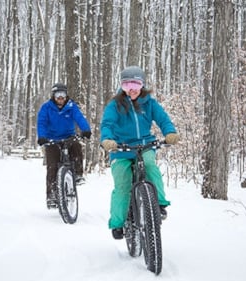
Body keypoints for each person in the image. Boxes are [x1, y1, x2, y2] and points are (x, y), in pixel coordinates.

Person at [100, 66, 180, 239]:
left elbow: (163, 119)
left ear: (142, 85)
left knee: (150, 166)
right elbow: (107, 124)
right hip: (120, 149)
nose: (132, 90)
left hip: (144, 145)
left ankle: (159, 204)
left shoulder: (149, 103)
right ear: (121, 86)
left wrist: (170, 132)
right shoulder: (115, 105)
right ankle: (118, 223)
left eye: (136, 84)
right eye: (127, 85)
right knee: (122, 185)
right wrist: (107, 139)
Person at [37, 83, 91, 208]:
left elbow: (79, 118)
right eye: (57, 95)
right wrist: (42, 137)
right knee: (52, 167)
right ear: (53, 96)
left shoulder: (71, 106)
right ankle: (51, 196)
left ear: (66, 95)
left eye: (63, 95)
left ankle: (78, 174)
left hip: (68, 137)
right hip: (52, 139)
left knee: (76, 146)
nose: (60, 98)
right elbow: (41, 123)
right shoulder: (46, 108)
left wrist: (86, 130)